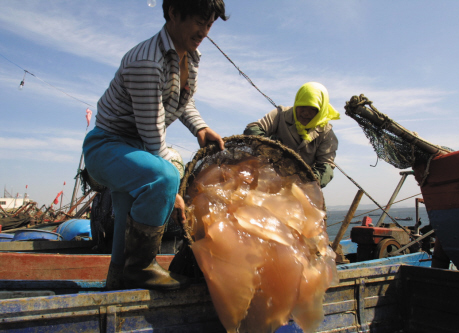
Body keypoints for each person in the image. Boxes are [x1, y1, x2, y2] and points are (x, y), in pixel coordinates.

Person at [82, 0, 228, 291]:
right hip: (107, 147)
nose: (204, 31)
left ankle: (118, 285)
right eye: (199, 21)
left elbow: (182, 101)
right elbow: (152, 129)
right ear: (174, 12)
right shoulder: (147, 61)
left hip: (135, 151)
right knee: (165, 175)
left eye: (210, 23)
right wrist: (171, 192)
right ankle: (141, 269)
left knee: (124, 237)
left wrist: (200, 127)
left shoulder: (189, 57)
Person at [244, 82, 340, 188]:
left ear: (320, 110)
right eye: (302, 106)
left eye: (312, 109)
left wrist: (307, 181)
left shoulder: (326, 133)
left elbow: (326, 167)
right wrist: (271, 146)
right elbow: (252, 129)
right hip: (267, 177)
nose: (306, 113)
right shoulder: (280, 114)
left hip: (299, 185)